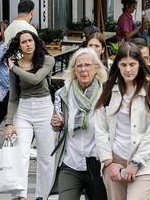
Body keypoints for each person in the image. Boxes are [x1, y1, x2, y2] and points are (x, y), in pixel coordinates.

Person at [93, 43, 150, 200]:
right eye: (123, 65)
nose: (128, 69)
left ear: (140, 65)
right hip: (115, 159)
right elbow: (100, 129)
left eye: (132, 64)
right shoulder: (107, 89)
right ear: (117, 65)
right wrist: (108, 162)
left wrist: (136, 163)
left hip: (146, 160)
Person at [1, 31, 56, 200]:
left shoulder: (47, 60)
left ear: (35, 42)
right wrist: (9, 123)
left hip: (44, 107)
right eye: (23, 42)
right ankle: (20, 196)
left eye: (30, 40)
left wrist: (14, 68)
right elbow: (13, 97)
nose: (28, 44)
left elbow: (35, 79)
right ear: (19, 46)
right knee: (20, 154)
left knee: (46, 157)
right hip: (23, 109)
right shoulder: (15, 66)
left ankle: (43, 196)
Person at [50, 47, 108, 200]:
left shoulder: (106, 95)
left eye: (87, 65)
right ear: (73, 70)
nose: (83, 69)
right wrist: (57, 124)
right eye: (79, 66)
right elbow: (57, 123)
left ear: (96, 68)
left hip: (97, 163)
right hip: (71, 163)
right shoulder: (63, 94)